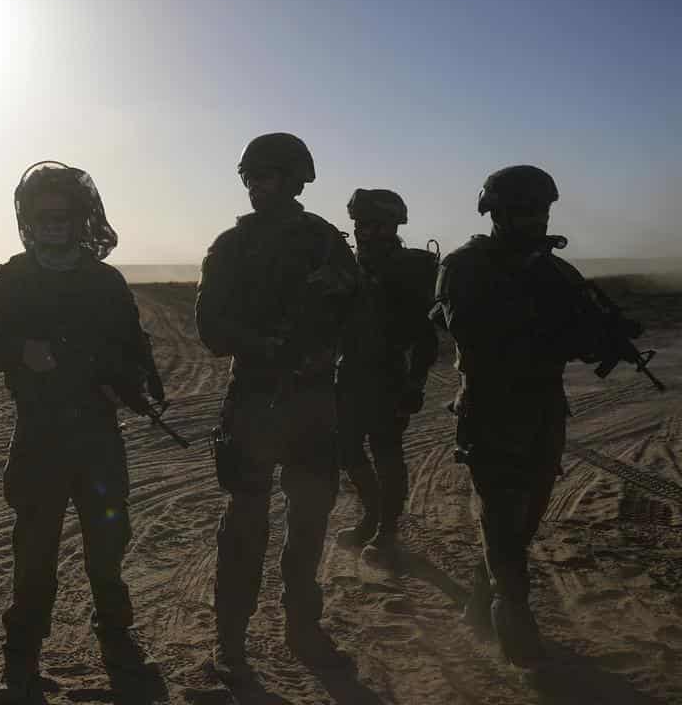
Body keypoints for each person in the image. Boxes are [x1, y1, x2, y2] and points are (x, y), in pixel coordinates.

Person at [0, 161, 161, 703]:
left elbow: (132, 346)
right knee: (34, 557)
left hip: (98, 438)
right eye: (43, 215)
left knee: (107, 551)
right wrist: (21, 351)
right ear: (29, 219)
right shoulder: (13, 282)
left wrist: (141, 387)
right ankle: (20, 661)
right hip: (39, 440)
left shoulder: (104, 281)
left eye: (63, 215)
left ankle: (117, 642)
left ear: (80, 219)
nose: (53, 224)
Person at [430, 165, 609, 667]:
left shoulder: (556, 271)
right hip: (489, 407)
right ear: (498, 212)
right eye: (525, 210)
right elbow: (473, 331)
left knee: (526, 518)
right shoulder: (466, 266)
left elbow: (584, 335)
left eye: (542, 210)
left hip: (543, 408)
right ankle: (514, 614)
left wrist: (603, 337)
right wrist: (550, 321)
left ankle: (484, 591)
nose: (536, 219)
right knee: (502, 514)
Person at [197, 133, 359, 680]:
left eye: (268, 175)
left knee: (310, 521)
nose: (256, 185)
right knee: (244, 525)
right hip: (255, 399)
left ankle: (303, 628)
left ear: (296, 179)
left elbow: (358, 311)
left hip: (312, 400)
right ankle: (231, 642)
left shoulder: (325, 243)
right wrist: (265, 343)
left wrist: (324, 328)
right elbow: (212, 330)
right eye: (251, 176)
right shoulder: (232, 247)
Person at [335, 189, 439, 569]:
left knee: (386, 451)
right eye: (360, 223)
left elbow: (426, 335)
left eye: (374, 224)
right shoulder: (347, 266)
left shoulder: (408, 268)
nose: (365, 231)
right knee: (346, 448)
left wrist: (415, 382)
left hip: (389, 373)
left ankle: (388, 529)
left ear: (394, 226)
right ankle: (372, 515)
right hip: (347, 371)